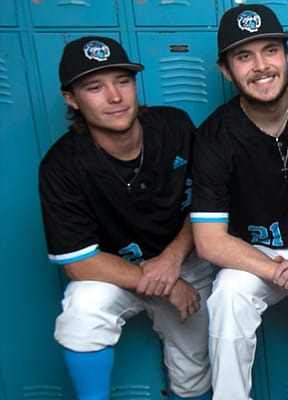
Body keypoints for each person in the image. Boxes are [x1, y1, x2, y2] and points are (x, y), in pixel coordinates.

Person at [39, 36, 212, 400]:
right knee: (82, 312)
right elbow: (79, 262)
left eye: (122, 81)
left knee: (193, 370)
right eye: (94, 88)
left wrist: (172, 260)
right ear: (72, 99)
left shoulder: (174, 127)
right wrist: (167, 283)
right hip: (115, 271)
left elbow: (208, 204)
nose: (114, 97)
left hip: (184, 262)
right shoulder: (62, 165)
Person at [190, 5, 288, 399]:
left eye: (270, 50)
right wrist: (286, 276)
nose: (261, 66)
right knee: (228, 296)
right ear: (226, 70)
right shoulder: (214, 136)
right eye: (244, 56)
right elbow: (209, 241)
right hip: (257, 256)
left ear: (287, 56)